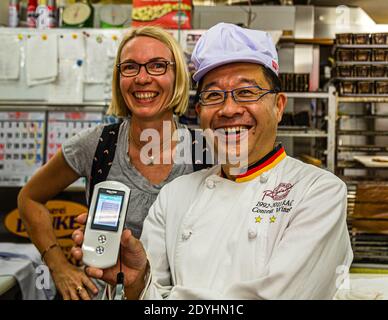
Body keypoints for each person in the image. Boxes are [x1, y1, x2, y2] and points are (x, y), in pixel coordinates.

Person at [72, 22, 353, 300]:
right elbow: (148, 297)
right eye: (214, 95)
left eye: (246, 92)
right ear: (200, 111)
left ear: (279, 106)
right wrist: (137, 282)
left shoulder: (318, 192)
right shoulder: (174, 196)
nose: (228, 109)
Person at [17, 26, 194, 300]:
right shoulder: (97, 145)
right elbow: (29, 198)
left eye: (157, 66)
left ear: (177, 76)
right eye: (130, 67)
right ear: (118, 78)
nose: (142, 78)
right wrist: (58, 266)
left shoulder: (204, 151)